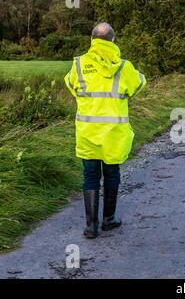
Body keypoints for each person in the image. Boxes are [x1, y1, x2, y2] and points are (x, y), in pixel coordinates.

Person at [64, 22, 147, 238]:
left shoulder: (79, 64)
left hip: (88, 133)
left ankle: (91, 227)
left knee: (90, 176)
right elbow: (139, 84)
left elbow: (71, 85)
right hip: (113, 134)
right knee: (112, 174)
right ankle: (108, 220)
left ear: (92, 40)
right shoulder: (123, 67)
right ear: (113, 40)